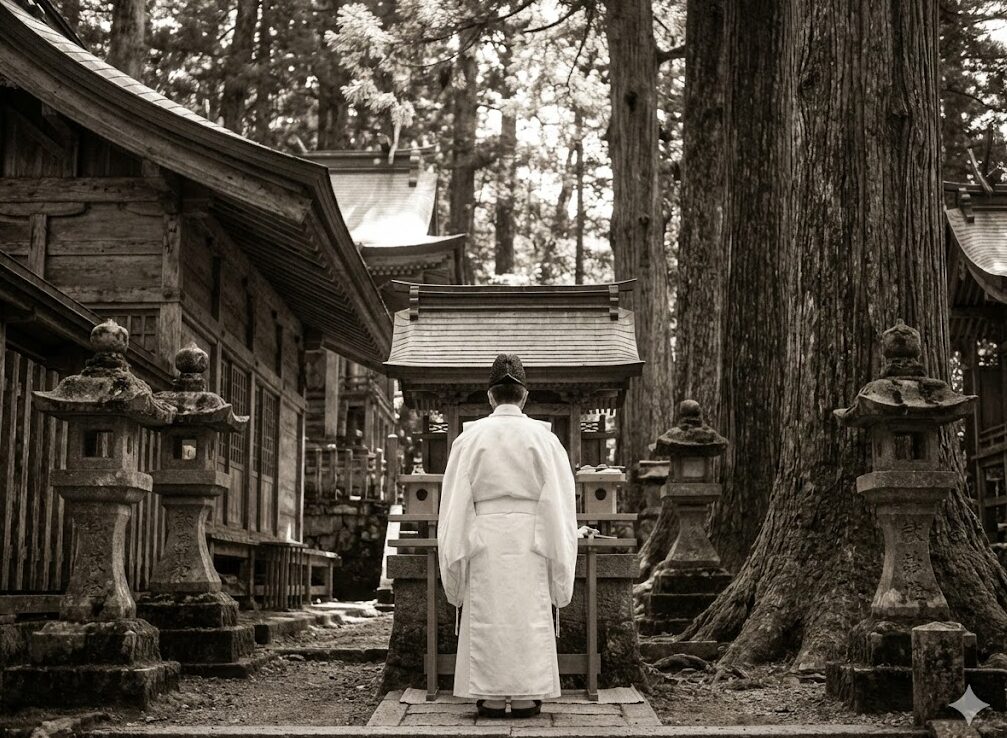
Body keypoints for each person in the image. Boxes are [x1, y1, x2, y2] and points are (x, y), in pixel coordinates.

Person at [437, 354, 578, 718]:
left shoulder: (470, 439)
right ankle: (530, 695)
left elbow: (454, 504)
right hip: (532, 535)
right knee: (529, 613)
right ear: (525, 396)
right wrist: (558, 555)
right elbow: (560, 502)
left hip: (484, 535)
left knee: (487, 613)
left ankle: (491, 696)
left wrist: (456, 555)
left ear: (490, 397)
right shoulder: (544, 439)